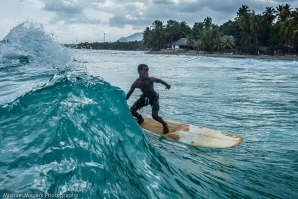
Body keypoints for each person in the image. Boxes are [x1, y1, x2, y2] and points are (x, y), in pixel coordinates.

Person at [126, 64, 171, 133]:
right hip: (144, 98)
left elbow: (160, 80)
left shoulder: (150, 79)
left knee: (155, 116)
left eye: (148, 71)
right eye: (145, 70)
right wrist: (122, 100)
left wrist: (167, 85)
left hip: (153, 98)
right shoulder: (136, 83)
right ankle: (140, 118)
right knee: (132, 111)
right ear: (139, 71)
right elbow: (128, 95)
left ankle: (164, 124)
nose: (147, 72)